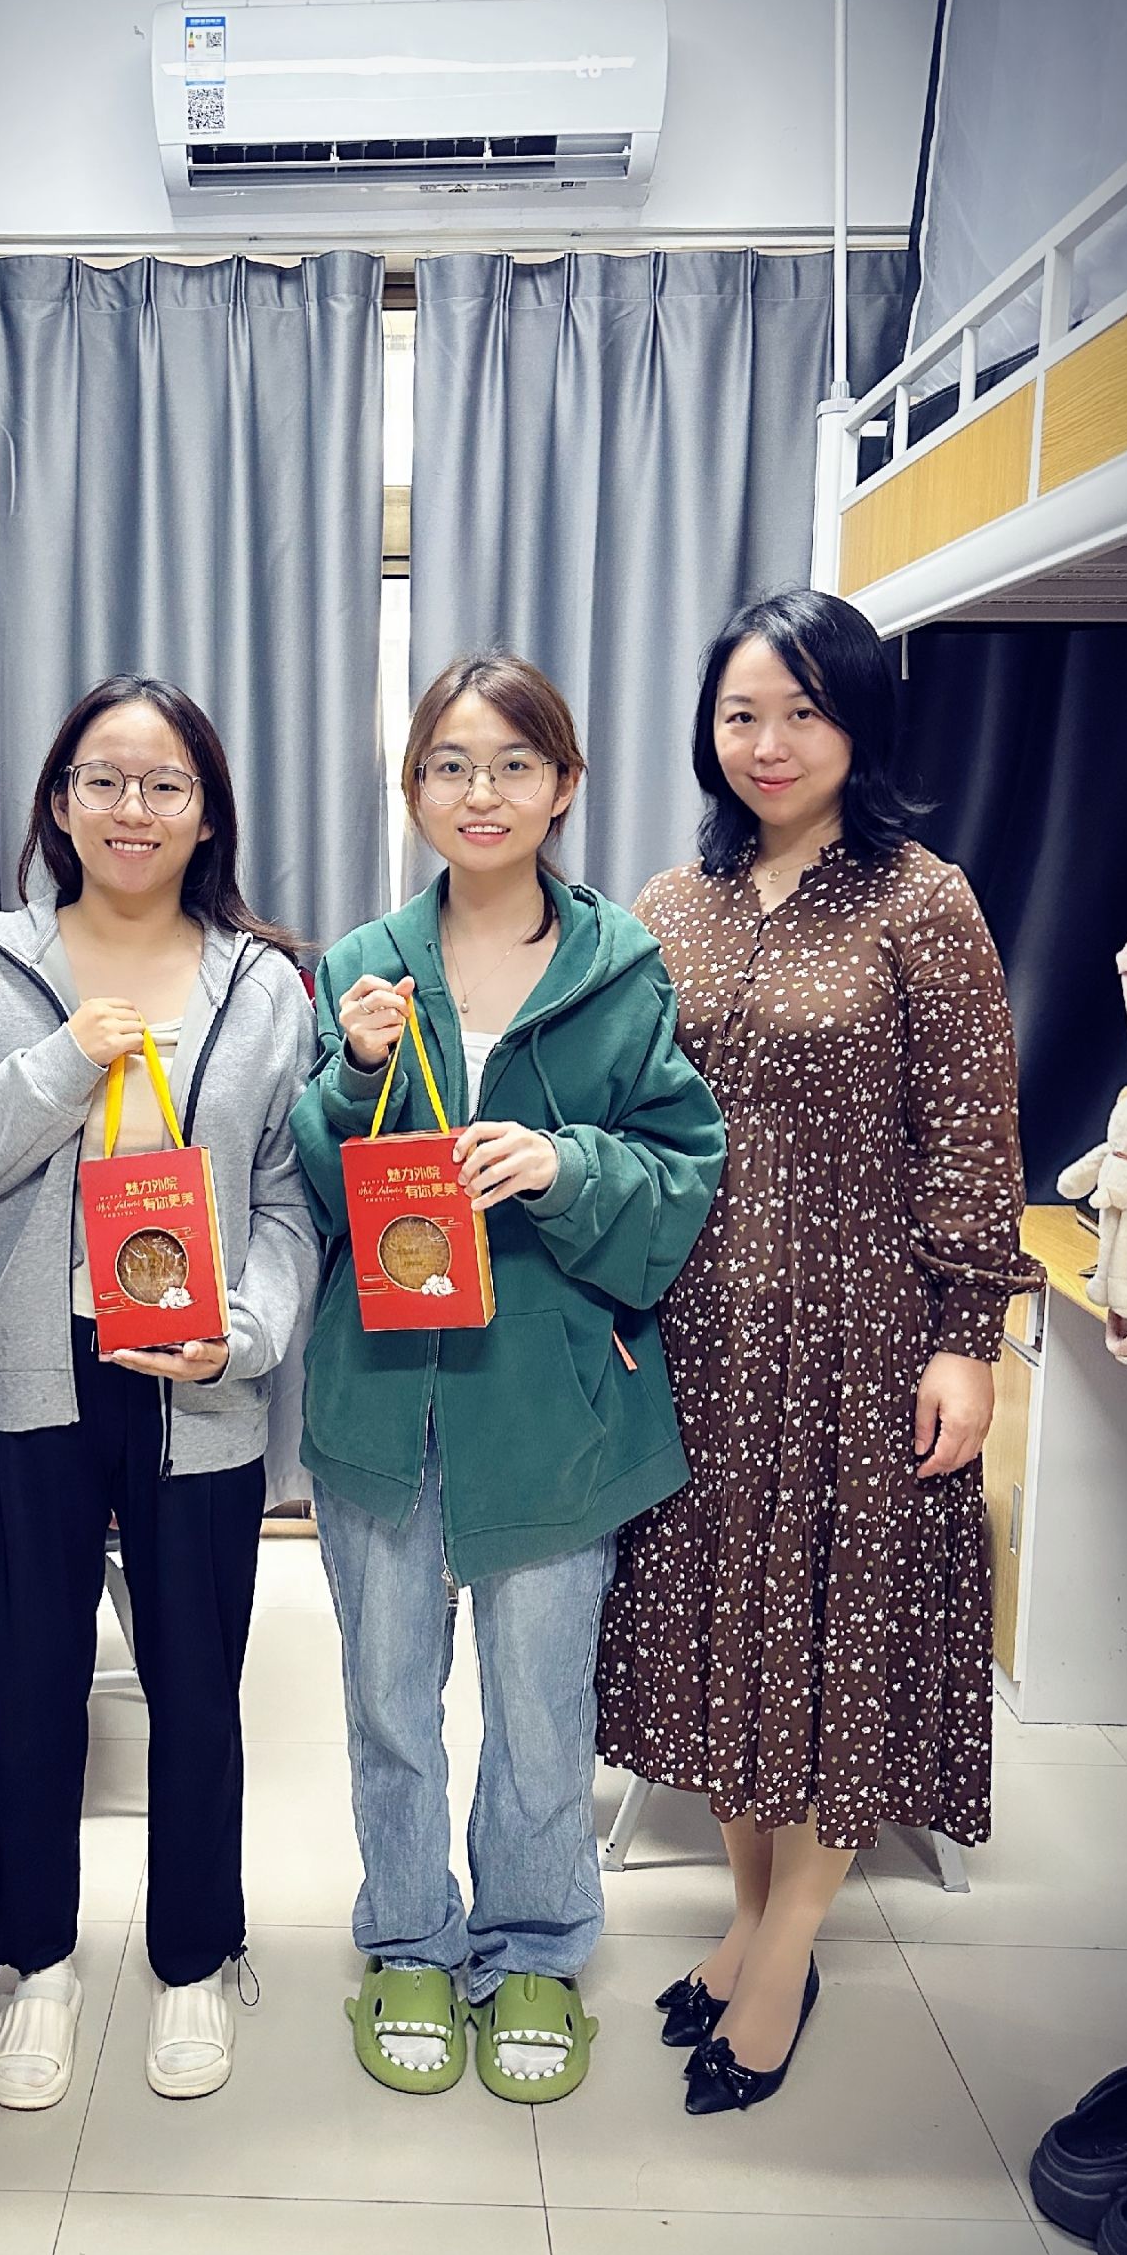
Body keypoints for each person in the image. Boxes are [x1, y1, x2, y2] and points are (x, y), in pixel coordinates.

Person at [597, 587, 1039, 2114]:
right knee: (724, 1642)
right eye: (743, 713)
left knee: (841, 1644)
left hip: (864, 1340)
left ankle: (788, 1948)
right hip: (701, 1337)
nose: (769, 742)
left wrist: (968, 1341)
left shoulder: (923, 900)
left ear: (859, 723)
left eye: (803, 710)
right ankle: (743, 1914)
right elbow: (627, 1119)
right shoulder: (672, 903)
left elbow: (973, 1135)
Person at [291, 652, 725, 2103]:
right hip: (383, 1391)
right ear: (413, 788)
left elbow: (684, 1169)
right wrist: (353, 1080)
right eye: (450, 765)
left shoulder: (620, 967)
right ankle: (410, 1932)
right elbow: (316, 1185)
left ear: (564, 785)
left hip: (550, 1401)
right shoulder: (363, 964)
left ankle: (534, 1941)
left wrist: (563, 1163)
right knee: (387, 1695)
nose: (481, 792)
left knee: (543, 1704)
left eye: (513, 764)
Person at [0, 676, 316, 2104]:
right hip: (29, 1375)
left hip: (193, 1379)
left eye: (164, 786)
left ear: (206, 811)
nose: (131, 809)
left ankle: (194, 1955)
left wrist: (243, 1333)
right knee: (30, 1681)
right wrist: (56, 1066)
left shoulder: (264, 985)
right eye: (103, 779)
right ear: (58, 801)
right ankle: (35, 1958)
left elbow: (287, 1198)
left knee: (196, 1684)